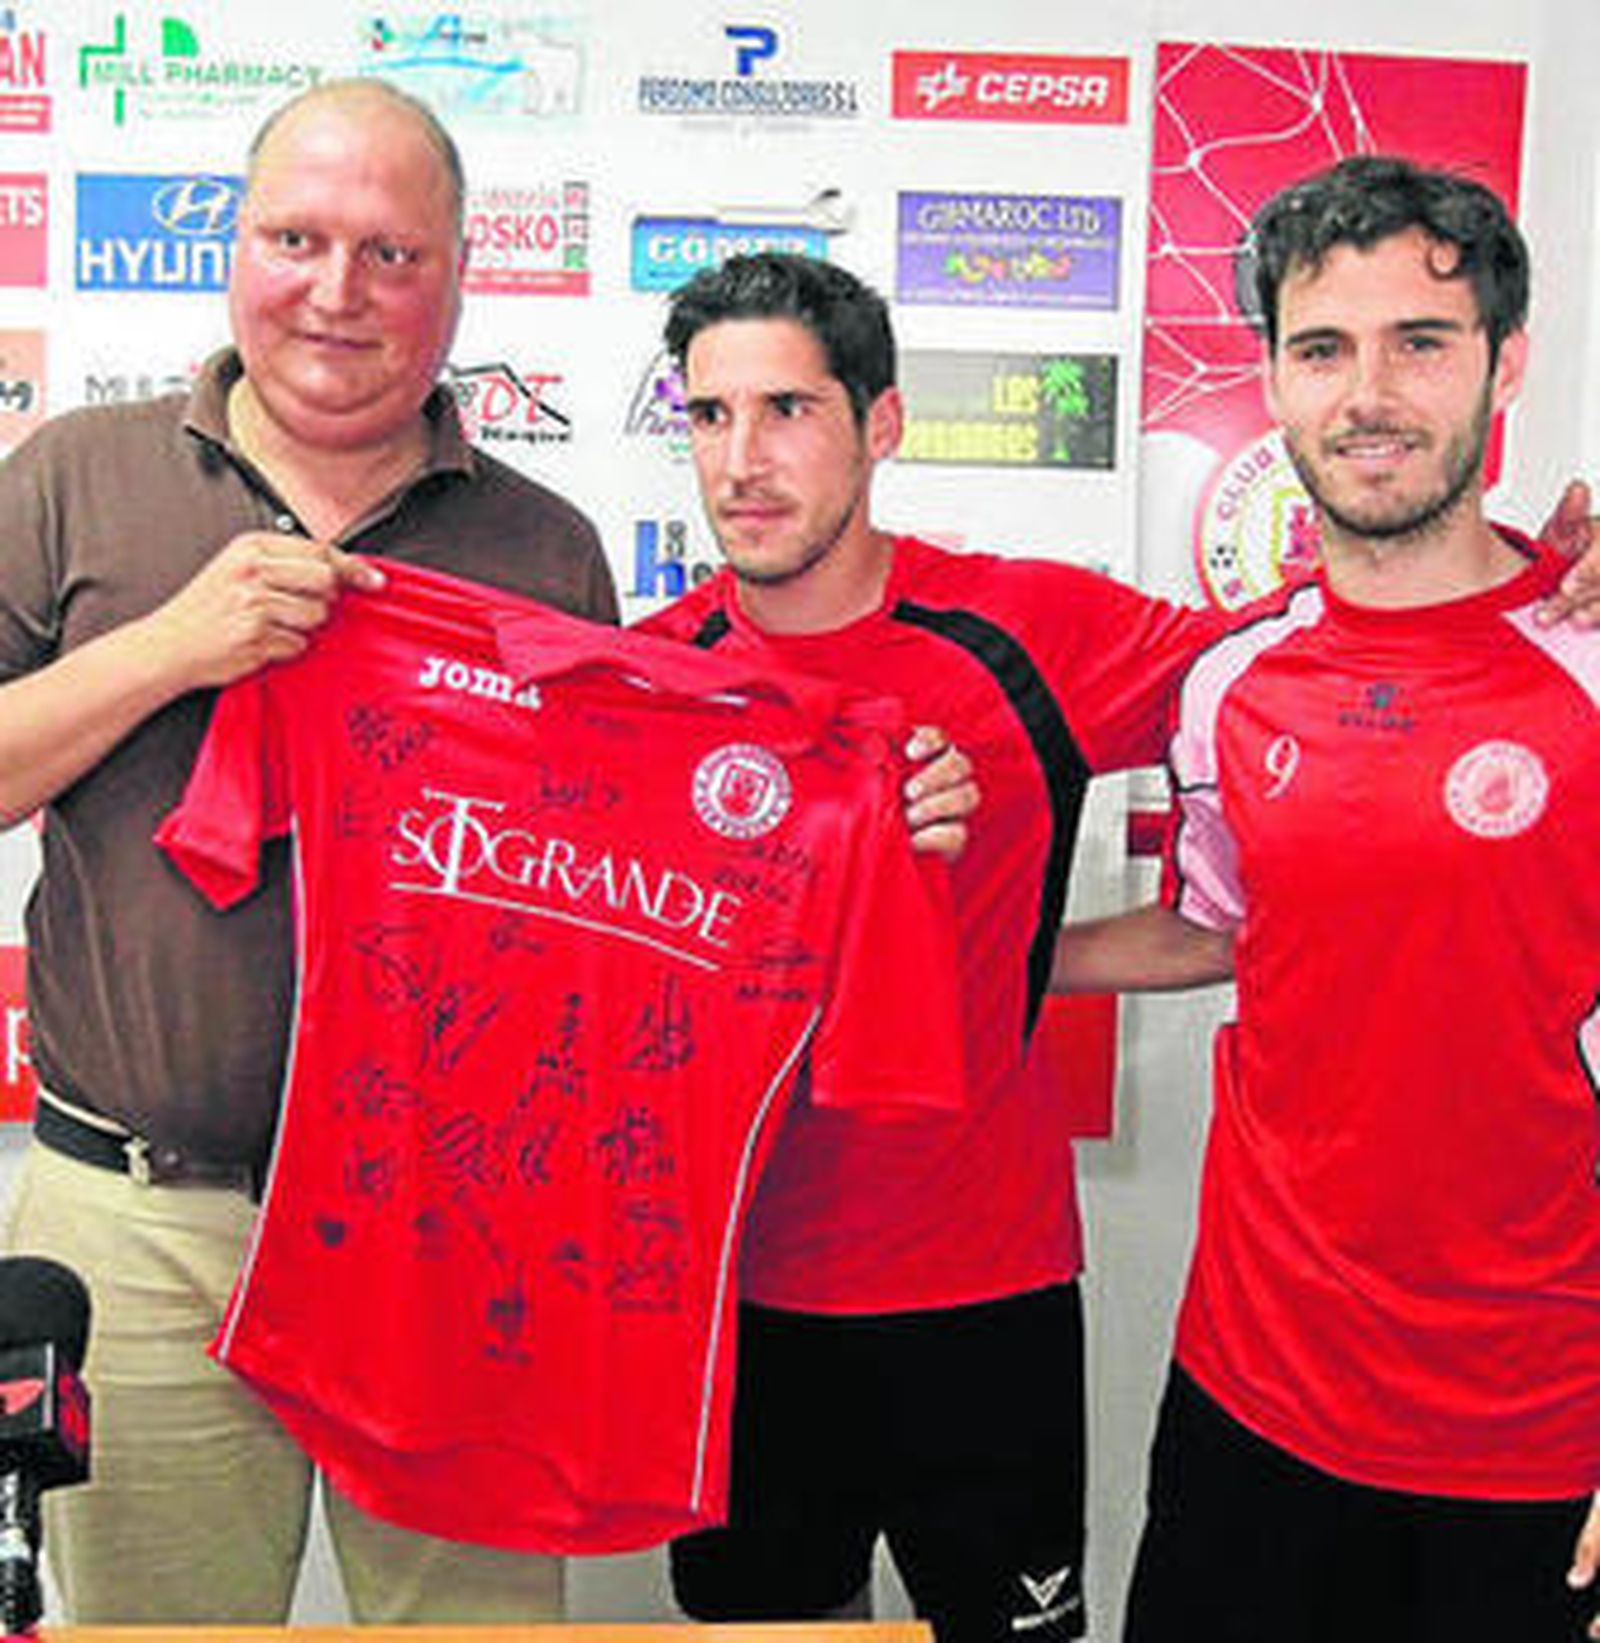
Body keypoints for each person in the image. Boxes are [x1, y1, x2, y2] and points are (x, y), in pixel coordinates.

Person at [643, 249, 1600, 1643]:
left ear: (882, 424)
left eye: (787, 408)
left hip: (985, 1297)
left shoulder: (1036, 630)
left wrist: (1545, 574)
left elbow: (1342, 664)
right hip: (723, 1301)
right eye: (711, 416)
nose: (745, 459)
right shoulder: (644, 683)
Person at [0, 78, 624, 1624]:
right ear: (234, 247)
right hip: (143, 1227)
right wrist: (169, 649)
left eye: (392, 254)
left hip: (452, 1236)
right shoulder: (72, 476)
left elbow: (609, 896)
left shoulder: (546, 548)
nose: (338, 291)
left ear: (463, 274)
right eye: (298, 237)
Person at [1053, 155, 1599, 1642]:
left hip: (1530, 1437)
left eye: (1420, 342)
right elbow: (1226, 931)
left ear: (1507, 362)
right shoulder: (1235, 682)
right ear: (1275, 385)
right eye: (1322, 347)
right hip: (1252, 1393)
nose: (1370, 392)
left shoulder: (1590, 668)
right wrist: (981, 953)